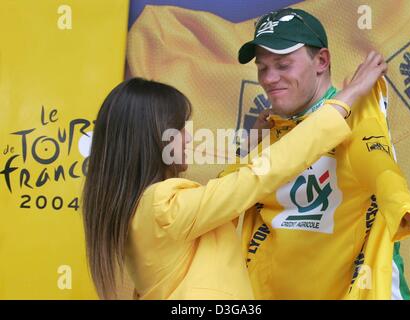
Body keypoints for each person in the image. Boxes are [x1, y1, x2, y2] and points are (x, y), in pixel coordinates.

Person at [81, 66, 383, 299]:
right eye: (181, 127)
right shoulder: (164, 204)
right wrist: (345, 101)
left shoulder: (145, 209)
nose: (189, 137)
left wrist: (252, 146)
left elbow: (227, 200)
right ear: (154, 138)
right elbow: (256, 180)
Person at [223, 7, 410, 299]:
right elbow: (221, 203)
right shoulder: (268, 130)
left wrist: (401, 204)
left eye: (282, 65)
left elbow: (377, 162)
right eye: (263, 67)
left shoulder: (358, 111)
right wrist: (247, 151)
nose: (268, 78)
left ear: (321, 61)